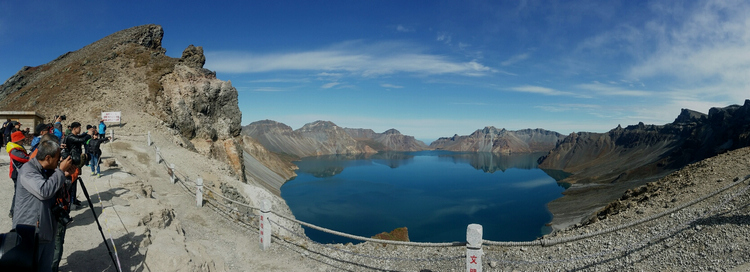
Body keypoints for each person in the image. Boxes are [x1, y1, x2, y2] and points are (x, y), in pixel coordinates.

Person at [13, 139, 75, 272]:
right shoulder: (28, 170)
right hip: (31, 233)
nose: (59, 161)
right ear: (48, 157)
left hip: (45, 231)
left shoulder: (45, 170)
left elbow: (53, 192)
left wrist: (64, 175)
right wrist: (60, 172)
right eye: (58, 158)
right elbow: (44, 191)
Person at [7, 131, 30, 218]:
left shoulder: (17, 147)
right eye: (22, 140)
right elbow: (23, 158)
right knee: (18, 193)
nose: (23, 141)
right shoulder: (14, 150)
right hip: (16, 174)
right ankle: (13, 211)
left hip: (19, 172)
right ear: (17, 140)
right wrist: (32, 156)